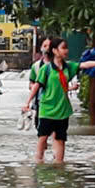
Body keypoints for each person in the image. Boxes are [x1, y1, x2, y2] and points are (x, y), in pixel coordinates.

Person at [28, 36, 78, 165]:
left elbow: (82, 66)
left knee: (60, 137)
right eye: (44, 46)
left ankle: (59, 164)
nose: (66, 50)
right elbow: (34, 84)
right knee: (42, 137)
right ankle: (39, 162)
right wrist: (27, 102)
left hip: (61, 107)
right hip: (44, 105)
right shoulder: (40, 67)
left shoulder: (67, 67)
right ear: (54, 50)